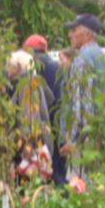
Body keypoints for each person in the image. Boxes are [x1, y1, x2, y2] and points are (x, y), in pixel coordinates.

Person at [23, 34, 67, 185]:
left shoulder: (27, 65)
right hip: (56, 119)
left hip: (36, 120)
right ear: (45, 49)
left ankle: (39, 193)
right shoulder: (58, 67)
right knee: (57, 163)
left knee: (36, 162)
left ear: (27, 48)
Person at [61, 13, 105, 156]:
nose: (70, 35)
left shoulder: (81, 58)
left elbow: (81, 105)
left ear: (88, 34)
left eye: (74, 31)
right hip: (103, 134)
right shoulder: (103, 56)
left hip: (86, 140)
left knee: (80, 179)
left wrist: (72, 140)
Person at [7, 50, 55, 179]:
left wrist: (28, 142)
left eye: (9, 65)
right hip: (39, 140)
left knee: (28, 180)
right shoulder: (36, 81)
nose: (8, 69)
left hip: (30, 144)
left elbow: (29, 114)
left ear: (18, 66)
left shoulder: (26, 84)